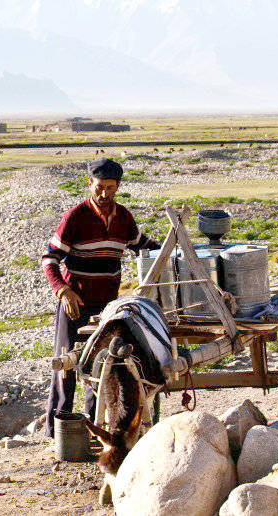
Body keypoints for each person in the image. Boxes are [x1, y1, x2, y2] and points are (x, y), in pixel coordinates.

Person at [41, 158, 160, 438]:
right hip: (76, 304)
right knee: (67, 365)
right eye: (99, 188)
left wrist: (175, 248)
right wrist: (63, 290)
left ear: (117, 187)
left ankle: (95, 429)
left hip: (108, 306)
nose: (105, 194)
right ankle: (57, 431)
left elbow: (145, 247)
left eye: (110, 188)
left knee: (101, 365)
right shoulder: (75, 217)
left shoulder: (124, 218)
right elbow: (49, 259)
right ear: (89, 185)